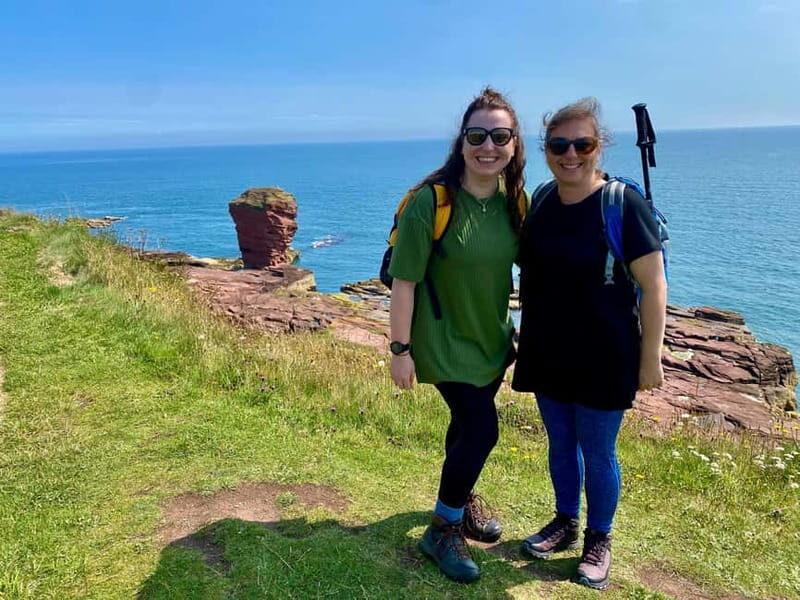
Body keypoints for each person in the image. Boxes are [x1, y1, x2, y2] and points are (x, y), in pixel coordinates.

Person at [512, 98, 667, 590]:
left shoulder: (622, 204)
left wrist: (651, 359)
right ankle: (565, 520)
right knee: (560, 442)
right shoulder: (541, 200)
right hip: (548, 346)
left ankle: (599, 538)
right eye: (559, 145)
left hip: (606, 353)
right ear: (546, 150)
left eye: (582, 144)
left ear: (599, 147)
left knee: (598, 451)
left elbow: (654, 285)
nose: (570, 154)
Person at [387, 87, 526, 583]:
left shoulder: (516, 202)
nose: (487, 146)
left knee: (465, 429)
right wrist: (399, 350)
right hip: (441, 341)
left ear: (514, 144)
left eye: (499, 135)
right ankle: (442, 528)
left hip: (491, 341)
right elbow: (404, 282)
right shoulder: (433, 201)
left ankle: (459, 499)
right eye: (477, 135)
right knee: (483, 429)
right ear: (462, 141)